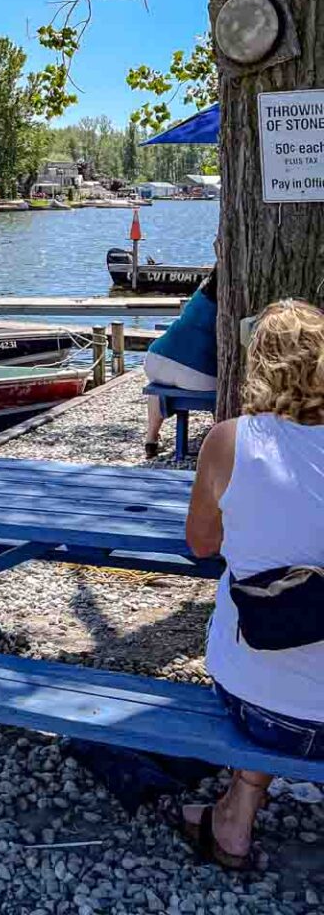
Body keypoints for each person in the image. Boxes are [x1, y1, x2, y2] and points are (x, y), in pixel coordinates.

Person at [183, 299, 324, 869]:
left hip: (265, 712)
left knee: (266, 645)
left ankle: (238, 811)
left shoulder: (229, 440)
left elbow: (201, 544)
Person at [142, 266, 218, 456]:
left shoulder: (200, 294)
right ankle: (221, 435)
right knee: (230, 385)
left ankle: (151, 439)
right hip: (196, 374)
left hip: (156, 359)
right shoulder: (232, 301)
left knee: (159, 386)